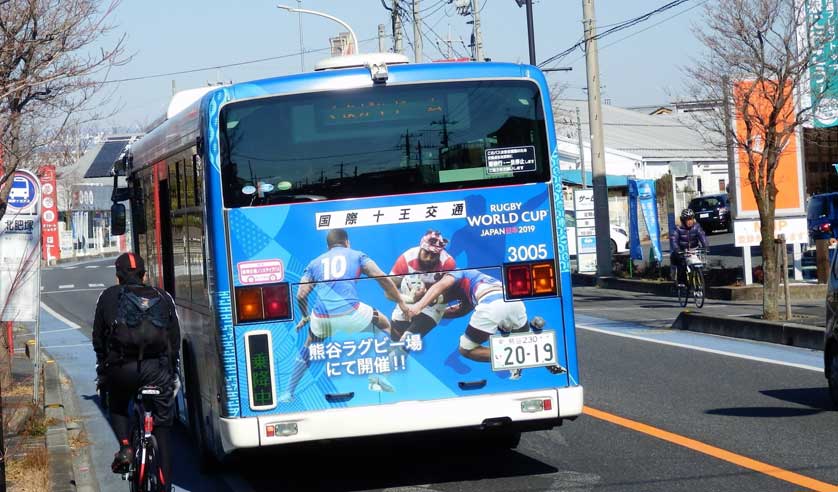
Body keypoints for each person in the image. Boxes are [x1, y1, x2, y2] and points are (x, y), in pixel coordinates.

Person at [279, 228, 408, 403]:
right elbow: (382, 277)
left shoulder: (314, 263)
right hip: (352, 314)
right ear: (347, 242)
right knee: (384, 324)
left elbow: (301, 295)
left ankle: (288, 392)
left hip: (322, 319)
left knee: (308, 347)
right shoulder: (357, 255)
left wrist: (305, 316)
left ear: (328, 246)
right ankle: (383, 374)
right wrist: (400, 301)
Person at [92, 252, 180, 491]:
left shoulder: (108, 296)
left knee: (118, 404)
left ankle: (125, 447)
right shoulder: (163, 297)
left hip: (121, 368)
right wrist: (171, 372)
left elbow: (98, 338)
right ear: (144, 274)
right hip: (156, 371)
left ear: (117, 276)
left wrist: (103, 367)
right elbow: (174, 339)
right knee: (161, 428)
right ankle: (164, 483)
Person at [388, 229, 459, 341]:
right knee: (395, 344)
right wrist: (408, 300)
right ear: (421, 248)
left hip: (433, 306)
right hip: (407, 302)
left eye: (434, 255)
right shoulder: (406, 259)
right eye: (427, 253)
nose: (429, 258)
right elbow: (388, 292)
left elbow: (450, 294)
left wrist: (426, 296)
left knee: (406, 341)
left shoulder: (448, 262)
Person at [670, 208, 709, 287]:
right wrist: (677, 249)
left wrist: (706, 246)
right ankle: (682, 281)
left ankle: (699, 278)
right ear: (683, 220)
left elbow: (702, 236)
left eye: (691, 219)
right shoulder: (678, 228)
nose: (689, 221)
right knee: (682, 264)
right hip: (682, 251)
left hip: (694, 250)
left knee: (699, 264)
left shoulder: (696, 227)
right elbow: (673, 240)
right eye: (687, 219)